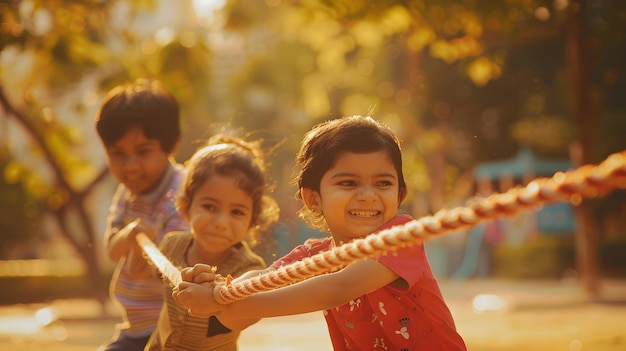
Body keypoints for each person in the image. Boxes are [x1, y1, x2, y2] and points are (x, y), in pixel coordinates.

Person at [173, 116, 467, 350]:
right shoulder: (315, 255)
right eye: (349, 183)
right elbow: (261, 285)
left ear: (400, 194)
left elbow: (339, 288)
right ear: (314, 198)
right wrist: (221, 290)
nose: (368, 195)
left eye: (383, 184)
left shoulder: (401, 237)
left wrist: (227, 303)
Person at [137, 135, 280, 350]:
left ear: (252, 221)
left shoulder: (249, 269)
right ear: (186, 205)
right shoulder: (171, 245)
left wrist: (217, 294)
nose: (221, 223)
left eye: (237, 212)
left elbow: (248, 314)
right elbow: (141, 274)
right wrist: (134, 238)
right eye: (210, 207)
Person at [95, 78, 190, 351]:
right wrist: (132, 235)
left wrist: (138, 249)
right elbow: (112, 250)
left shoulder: (185, 194)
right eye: (118, 154)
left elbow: (150, 271)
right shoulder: (126, 194)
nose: (130, 165)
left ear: (169, 146)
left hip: (175, 329)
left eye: (143, 151)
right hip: (137, 329)